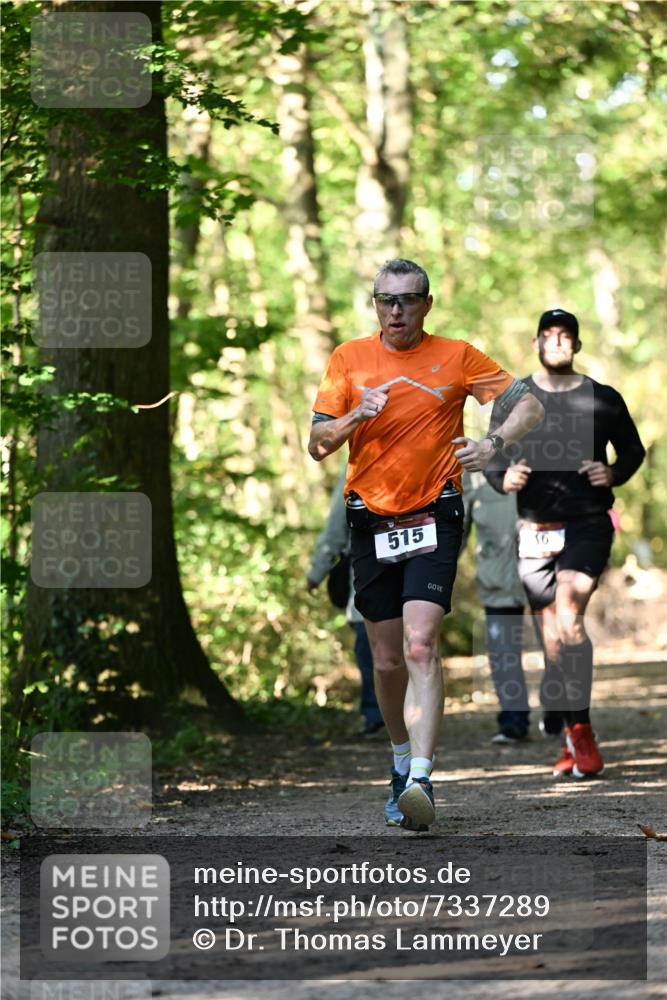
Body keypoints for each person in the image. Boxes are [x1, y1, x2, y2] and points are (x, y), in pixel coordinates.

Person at [308, 259, 544, 830]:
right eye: (385, 300)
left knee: (419, 646)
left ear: (427, 304)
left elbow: (530, 406)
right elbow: (317, 445)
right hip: (370, 521)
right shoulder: (348, 359)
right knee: (386, 660)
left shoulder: (458, 355)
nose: (396, 311)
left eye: (407, 300)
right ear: (374, 304)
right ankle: (397, 760)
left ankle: (420, 777)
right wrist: (353, 417)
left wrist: (492, 442)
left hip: (436, 513)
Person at [485, 308, 645, 778]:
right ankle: (575, 731)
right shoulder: (515, 398)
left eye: (565, 336)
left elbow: (632, 450)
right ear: (536, 343)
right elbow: (493, 452)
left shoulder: (603, 398)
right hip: (534, 529)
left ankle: (582, 736)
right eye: (548, 336)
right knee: (553, 638)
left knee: (570, 616)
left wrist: (613, 472)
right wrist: (503, 476)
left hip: (588, 523)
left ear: (575, 345)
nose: (556, 343)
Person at [307, 463, 384, 737]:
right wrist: (319, 569)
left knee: (372, 648)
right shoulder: (354, 465)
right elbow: (337, 525)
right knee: (377, 646)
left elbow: (336, 525)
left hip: (377, 574)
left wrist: (316, 573)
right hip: (368, 570)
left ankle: (378, 714)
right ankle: (380, 714)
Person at [462, 470, 531, 743]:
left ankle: (561, 714)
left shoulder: (548, 453)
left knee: (556, 643)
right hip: (498, 576)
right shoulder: (476, 470)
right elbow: (459, 524)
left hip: (546, 571)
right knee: (503, 652)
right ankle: (513, 721)